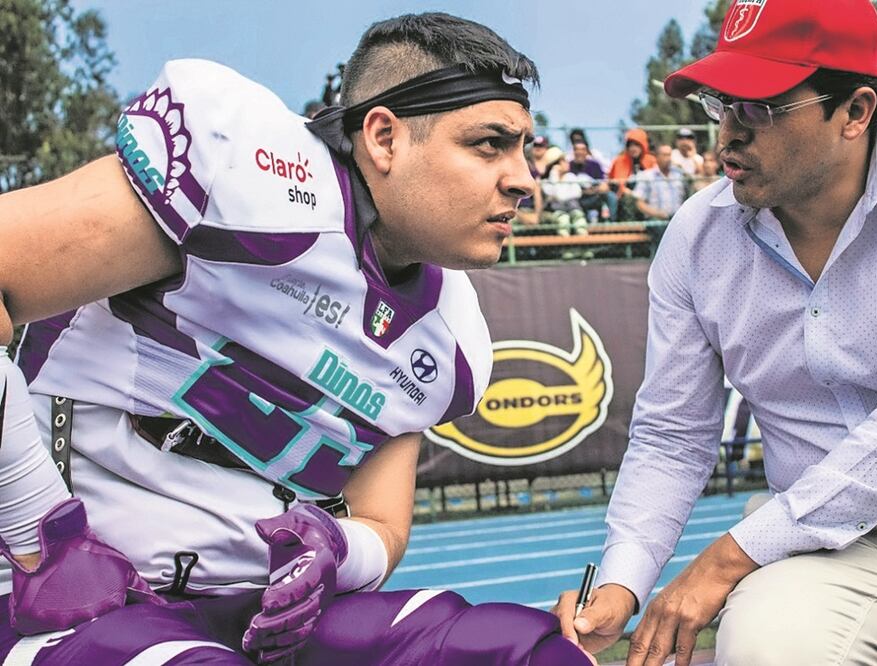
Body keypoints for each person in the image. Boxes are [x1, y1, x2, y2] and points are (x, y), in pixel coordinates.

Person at [0, 12, 593, 666]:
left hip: (259, 609)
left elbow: (382, 523)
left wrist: (336, 548)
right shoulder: (251, 183)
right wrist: (40, 538)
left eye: (524, 149)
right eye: (488, 144)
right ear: (385, 138)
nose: (523, 179)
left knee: (529, 654)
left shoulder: (449, 340)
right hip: (68, 599)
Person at [553, 1, 877, 665]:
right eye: (720, 104)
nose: (726, 136)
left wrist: (724, 561)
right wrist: (621, 582)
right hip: (817, 543)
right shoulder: (696, 236)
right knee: (764, 653)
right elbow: (672, 432)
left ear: (855, 111)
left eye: (758, 108)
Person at [608, 128, 657, 219]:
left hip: (648, 197)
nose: (633, 148)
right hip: (627, 198)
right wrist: (632, 194)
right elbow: (617, 184)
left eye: (636, 145)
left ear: (643, 145)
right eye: (630, 145)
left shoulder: (651, 160)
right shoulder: (620, 161)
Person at [633, 145, 687, 221]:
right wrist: (657, 213)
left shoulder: (678, 174)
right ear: (657, 157)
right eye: (664, 155)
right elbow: (639, 203)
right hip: (656, 220)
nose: (668, 158)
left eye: (669, 155)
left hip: (678, 219)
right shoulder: (647, 176)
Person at [568, 141, 615, 221]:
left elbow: (603, 185)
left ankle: (612, 223)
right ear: (573, 152)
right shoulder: (568, 166)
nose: (579, 152)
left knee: (611, 196)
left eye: (582, 149)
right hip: (577, 199)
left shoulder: (594, 165)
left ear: (587, 152)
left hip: (594, 196)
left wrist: (593, 190)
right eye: (577, 149)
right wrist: (585, 191)